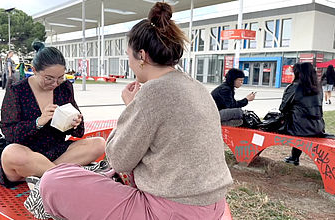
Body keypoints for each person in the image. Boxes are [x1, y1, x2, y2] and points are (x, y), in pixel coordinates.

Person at [39, 3, 233, 219]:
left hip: (171, 210)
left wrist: (131, 107)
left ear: (141, 56)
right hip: (214, 204)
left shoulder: (154, 91)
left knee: (53, 181)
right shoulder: (196, 86)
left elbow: (119, 159)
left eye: (128, 55)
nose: (129, 62)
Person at [0, 41, 105, 188]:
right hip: (27, 154)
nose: (55, 83)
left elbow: (79, 132)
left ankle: (44, 176)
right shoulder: (17, 90)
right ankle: (62, 177)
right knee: (11, 153)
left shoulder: (65, 88)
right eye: (49, 78)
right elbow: (9, 132)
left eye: (60, 77)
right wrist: (38, 122)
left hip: (57, 152)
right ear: (34, 70)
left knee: (99, 144)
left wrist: (75, 122)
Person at [281, 62, 325, 166]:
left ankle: (294, 157)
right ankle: (294, 157)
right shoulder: (319, 88)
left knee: (282, 120)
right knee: (300, 118)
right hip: (318, 127)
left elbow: (283, 108)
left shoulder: (294, 88)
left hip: (300, 128)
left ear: (299, 74)